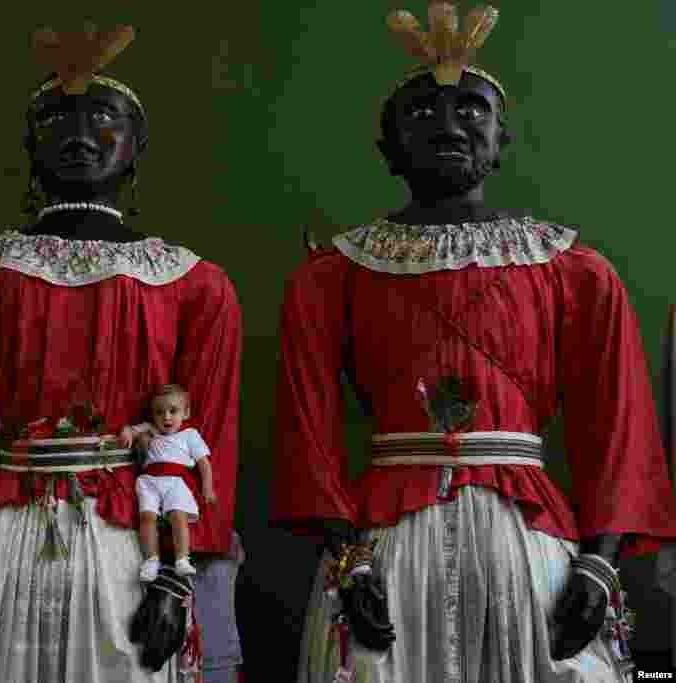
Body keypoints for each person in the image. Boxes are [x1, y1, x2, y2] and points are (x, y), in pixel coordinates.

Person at [271, 3, 676, 682]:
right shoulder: (331, 278)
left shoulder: (575, 273)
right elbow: (307, 436)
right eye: (423, 113)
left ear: (500, 139)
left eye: (471, 109)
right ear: (388, 145)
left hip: (531, 552)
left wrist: (600, 566)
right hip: (383, 554)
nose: (450, 124)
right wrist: (349, 558)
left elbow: (620, 431)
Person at [0, 23, 243, 683]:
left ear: (136, 147)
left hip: (132, 546)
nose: (78, 132)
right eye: (56, 118)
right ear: (29, 147)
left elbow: (207, 440)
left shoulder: (192, 285)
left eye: (103, 117)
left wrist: (181, 583)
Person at [119, 384, 217, 581]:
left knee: (178, 516)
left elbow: (204, 464)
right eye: (159, 412)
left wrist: (207, 488)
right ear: (152, 415)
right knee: (147, 518)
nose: (166, 417)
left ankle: (182, 559)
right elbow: (129, 430)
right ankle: (151, 560)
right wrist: (127, 433)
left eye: (173, 411)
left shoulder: (190, 435)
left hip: (176, 482)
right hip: (150, 481)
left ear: (186, 413)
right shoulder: (150, 429)